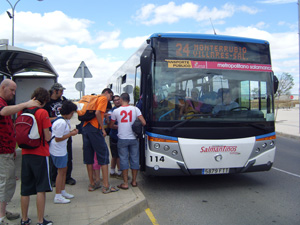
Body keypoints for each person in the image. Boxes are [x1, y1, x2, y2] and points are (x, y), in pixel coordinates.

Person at [0, 79, 42, 225]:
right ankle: (1, 218)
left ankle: (3, 211)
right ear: (3, 87)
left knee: (6, 181)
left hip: (7, 150)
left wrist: (12, 149)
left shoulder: (4, 102)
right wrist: (26, 104)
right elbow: (3, 112)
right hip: (2, 151)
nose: (13, 93)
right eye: (11, 90)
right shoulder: (1, 104)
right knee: (5, 182)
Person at [19, 87, 53, 225]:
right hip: (40, 154)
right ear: (45, 100)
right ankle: (40, 221)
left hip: (25, 153)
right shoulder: (42, 112)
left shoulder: (23, 110)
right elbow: (47, 136)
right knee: (41, 188)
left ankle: (24, 219)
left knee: (25, 189)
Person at [82, 88, 119, 194]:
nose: (110, 99)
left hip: (86, 128)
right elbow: (98, 112)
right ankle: (106, 186)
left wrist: (105, 115)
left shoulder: (94, 98)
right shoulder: (103, 98)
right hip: (95, 129)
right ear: (107, 93)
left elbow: (95, 113)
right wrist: (102, 128)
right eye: (111, 97)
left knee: (88, 157)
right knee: (104, 155)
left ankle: (92, 184)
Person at [110, 93, 146, 190]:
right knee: (134, 159)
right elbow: (143, 122)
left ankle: (125, 183)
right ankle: (134, 181)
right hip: (134, 138)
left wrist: (119, 126)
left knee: (123, 159)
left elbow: (111, 125)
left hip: (122, 139)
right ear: (129, 100)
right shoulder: (135, 109)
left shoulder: (116, 111)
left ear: (121, 100)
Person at [44, 83, 76, 186]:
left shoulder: (64, 100)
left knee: (68, 155)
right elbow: (44, 118)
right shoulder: (47, 103)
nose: (62, 93)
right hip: (53, 132)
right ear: (55, 91)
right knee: (54, 156)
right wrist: (59, 118)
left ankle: (67, 177)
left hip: (65, 131)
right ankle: (53, 178)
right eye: (61, 91)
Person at [49, 100, 78, 204]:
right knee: (60, 173)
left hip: (61, 149)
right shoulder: (61, 122)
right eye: (72, 113)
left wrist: (70, 133)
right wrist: (71, 134)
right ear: (68, 112)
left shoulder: (63, 120)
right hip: (58, 150)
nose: (72, 115)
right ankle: (58, 195)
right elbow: (58, 138)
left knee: (63, 171)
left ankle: (62, 191)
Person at [107, 95, 122, 179]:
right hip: (114, 136)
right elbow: (110, 125)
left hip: (118, 135)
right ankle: (119, 173)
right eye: (115, 100)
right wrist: (121, 126)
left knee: (116, 155)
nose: (117, 101)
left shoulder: (121, 110)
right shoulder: (111, 112)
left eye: (118, 99)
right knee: (117, 155)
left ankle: (113, 172)